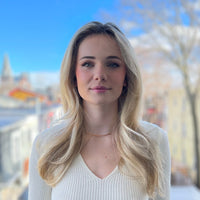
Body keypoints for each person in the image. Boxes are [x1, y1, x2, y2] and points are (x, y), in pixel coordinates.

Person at [28, 21, 171, 200]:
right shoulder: (47, 145)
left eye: (112, 64)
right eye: (88, 64)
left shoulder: (153, 141)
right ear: (74, 75)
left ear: (126, 76)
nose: (99, 75)